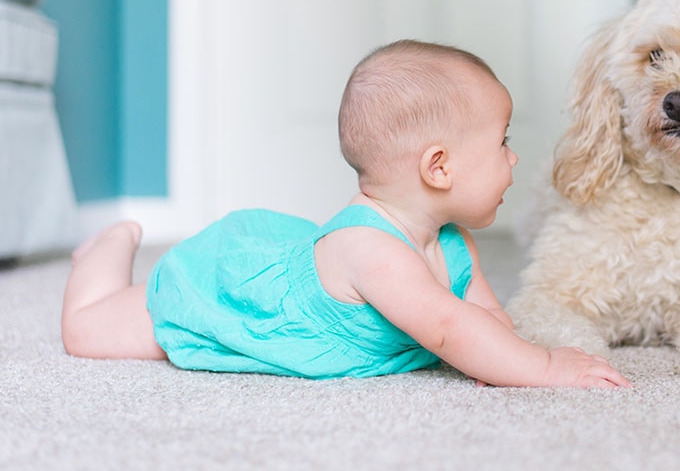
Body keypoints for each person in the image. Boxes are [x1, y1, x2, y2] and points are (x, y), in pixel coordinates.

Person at [61, 39, 631, 389]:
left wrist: (507, 358)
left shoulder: (453, 242)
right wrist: (545, 369)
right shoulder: (374, 251)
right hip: (233, 289)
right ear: (439, 168)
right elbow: (449, 328)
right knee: (86, 332)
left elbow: (483, 321)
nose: (513, 158)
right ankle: (109, 245)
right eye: (501, 143)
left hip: (299, 257)